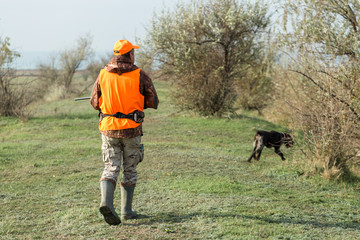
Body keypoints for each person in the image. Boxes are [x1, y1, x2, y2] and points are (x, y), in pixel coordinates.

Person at [90, 40, 159, 225]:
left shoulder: (103, 74)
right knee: (130, 169)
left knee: (110, 167)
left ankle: (106, 201)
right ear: (129, 55)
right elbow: (154, 102)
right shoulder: (139, 74)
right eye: (133, 53)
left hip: (108, 128)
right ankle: (127, 210)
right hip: (132, 130)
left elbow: (95, 102)